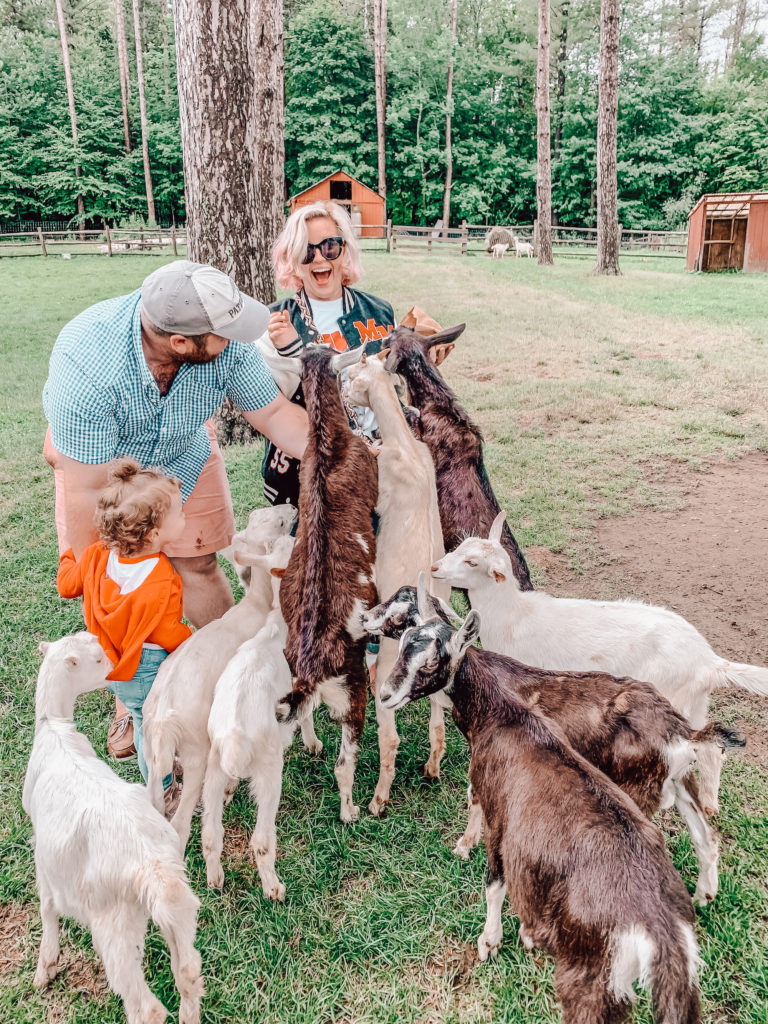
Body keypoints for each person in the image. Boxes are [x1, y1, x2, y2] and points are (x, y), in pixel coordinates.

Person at [43, 260, 308, 757]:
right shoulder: (87, 361)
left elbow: (275, 415)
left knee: (200, 565)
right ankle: (131, 695)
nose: (238, 338)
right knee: (121, 585)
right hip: (102, 474)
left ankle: (230, 678)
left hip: (184, 451)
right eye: (225, 333)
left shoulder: (223, 348)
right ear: (182, 343)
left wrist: (347, 450)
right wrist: (102, 575)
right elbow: (87, 492)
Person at [56, 458, 191, 811]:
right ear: (155, 533)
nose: (184, 515)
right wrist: (191, 646)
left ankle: (159, 775)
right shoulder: (161, 576)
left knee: (137, 715)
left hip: (112, 665)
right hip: (148, 665)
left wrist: (69, 555)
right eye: (178, 512)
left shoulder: (98, 555)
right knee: (152, 729)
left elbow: (67, 585)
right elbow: (166, 632)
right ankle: (161, 790)